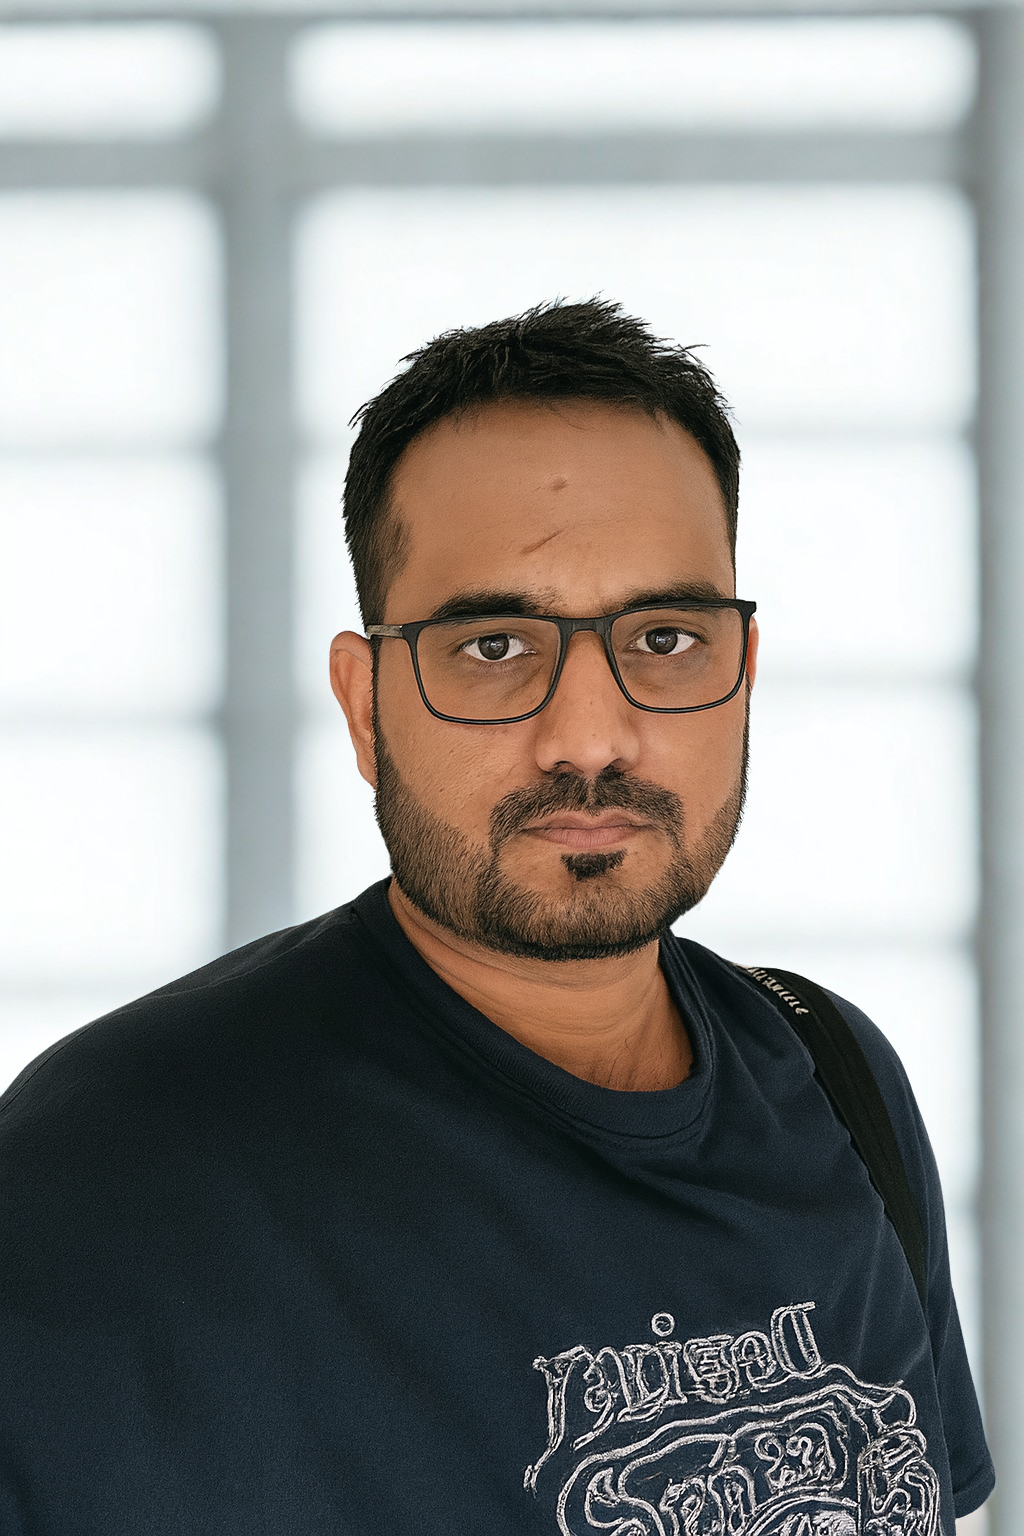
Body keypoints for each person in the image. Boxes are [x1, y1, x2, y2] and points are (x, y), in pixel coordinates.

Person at [0, 300, 991, 1535]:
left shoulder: (832, 1075)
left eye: (666, 637)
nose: (589, 737)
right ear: (367, 708)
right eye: (494, 648)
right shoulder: (98, 1176)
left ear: (740, 676)